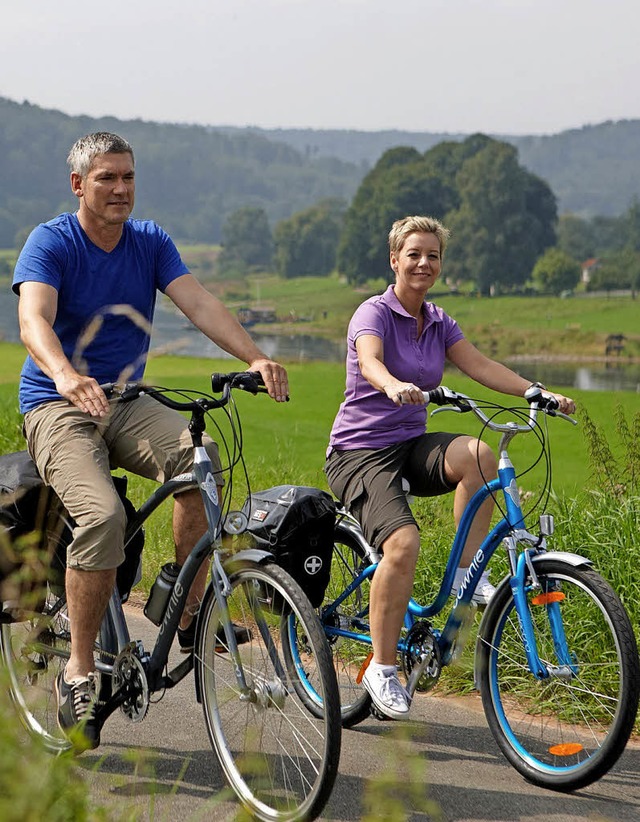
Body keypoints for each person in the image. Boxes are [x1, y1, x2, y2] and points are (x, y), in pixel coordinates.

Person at [12, 132, 289, 749]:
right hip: (58, 405)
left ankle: (190, 616)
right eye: (107, 178)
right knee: (104, 515)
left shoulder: (150, 242)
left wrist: (254, 357)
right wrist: (65, 375)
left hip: (128, 401)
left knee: (201, 463)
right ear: (78, 186)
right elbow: (34, 320)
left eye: (128, 177)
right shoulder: (50, 241)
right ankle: (80, 670)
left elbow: (199, 302)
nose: (120, 189)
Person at [324, 215, 575, 721]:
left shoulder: (438, 321)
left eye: (432, 255)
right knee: (403, 543)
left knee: (480, 455)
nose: (423, 263)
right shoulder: (372, 313)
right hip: (359, 453)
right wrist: (390, 384)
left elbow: (481, 366)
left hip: (410, 443)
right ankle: (383, 668)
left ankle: (466, 578)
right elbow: (369, 360)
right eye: (413, 253)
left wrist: (535, 392)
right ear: (394, 260)